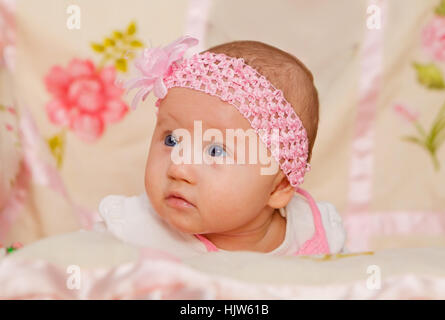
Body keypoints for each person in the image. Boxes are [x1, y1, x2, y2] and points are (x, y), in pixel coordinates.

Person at [94, 35, 347, 259]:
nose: (178, 167)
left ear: (278, 187)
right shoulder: (132, 230)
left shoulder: (314, 235)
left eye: (215, 151)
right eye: (172, 140)